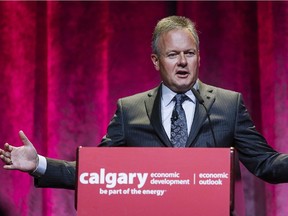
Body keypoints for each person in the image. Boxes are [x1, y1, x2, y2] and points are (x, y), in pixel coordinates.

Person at [1, 16, 288, 190]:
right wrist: (39, 164)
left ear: (199, 56)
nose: (183, 63)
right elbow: (96, 174)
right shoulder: (130, 110)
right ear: (156, 60)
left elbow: (265, 164)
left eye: (190, 53)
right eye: (173, 54)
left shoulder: (227, 104)